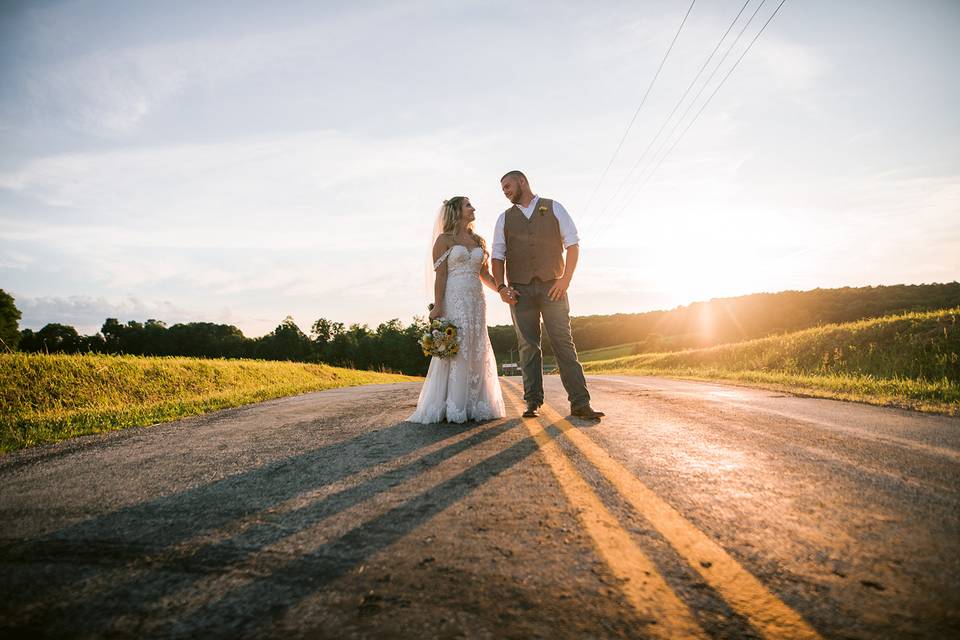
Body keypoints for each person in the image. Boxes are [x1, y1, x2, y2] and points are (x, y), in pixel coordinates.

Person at [492, 170, 605, 420]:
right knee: (528, 347)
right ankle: (532, 401)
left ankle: (580, 403)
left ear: (522, 182)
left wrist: (565, 280)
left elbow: (573, 245)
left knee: (563, 343)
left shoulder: (554, 207)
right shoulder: (504, 219)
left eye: (508, 186)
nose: (505, 192)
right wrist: (501, 288)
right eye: (503, 189)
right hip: (519, 291)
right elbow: (497, 256)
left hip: (553, 286)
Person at [408, 196, 506, 424]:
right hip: (454, 299)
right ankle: (453, 404)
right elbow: (440, 276)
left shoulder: (478, 240)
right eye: (468, 205)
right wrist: (439, 305)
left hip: (476, 300)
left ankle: (475, 404)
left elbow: (485, 275)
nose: (473, 208)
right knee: (458, 348)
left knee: (476, 346)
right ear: (456, 211)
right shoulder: (444, 240)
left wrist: (502, 290)